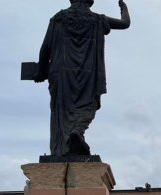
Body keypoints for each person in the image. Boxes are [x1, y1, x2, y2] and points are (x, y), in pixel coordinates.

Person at [34, 0, 131, 156]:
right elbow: (125, 23)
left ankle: (62, 148)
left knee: (61, 111)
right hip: (89, 75)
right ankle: (77, 131)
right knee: (88, 105)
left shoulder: (58, 18)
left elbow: (45, 47)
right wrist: (123, 8)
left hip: (62, 74)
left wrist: (40, 71)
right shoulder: (98, 20)